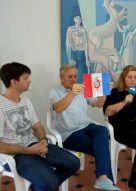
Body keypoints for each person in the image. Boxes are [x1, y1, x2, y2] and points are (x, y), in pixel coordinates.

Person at [0, 62, 80, 191]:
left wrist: (42, 141)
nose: (30, 81)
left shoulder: (26, 101)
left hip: (35, 146)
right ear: (14, 82)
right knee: (51, 182)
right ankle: (46, 184)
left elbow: (37, 126)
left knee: (74, 162)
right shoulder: (1, 106)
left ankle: (39, 186)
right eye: (26, 78)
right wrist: (30, 151)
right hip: (15, 155)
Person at [48, 64, 121, 191]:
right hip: (69, 133)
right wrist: (71, 93)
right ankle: (106, 181)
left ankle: (102, 179)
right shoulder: (54, 92)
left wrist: (104, 92)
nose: (73, 79)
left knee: (102, 130)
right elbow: (58, 108)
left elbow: (98, 104)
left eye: (75, 76)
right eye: (70, 76)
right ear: (61, 77)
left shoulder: (82, 89)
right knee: (101, 147)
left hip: (86, 125)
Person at [66, 15, 89, 83]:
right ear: (74, 19)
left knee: (84, 72)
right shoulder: (70, 29)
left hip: (82, 52)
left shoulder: (83, 29)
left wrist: (87, 59)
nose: (78, 19)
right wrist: (69, 58)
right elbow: (68, 44)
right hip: (74, 52)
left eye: (79, 18)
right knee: (72, 73)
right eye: (77, 18)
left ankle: (86, 88)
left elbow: (86, 44)